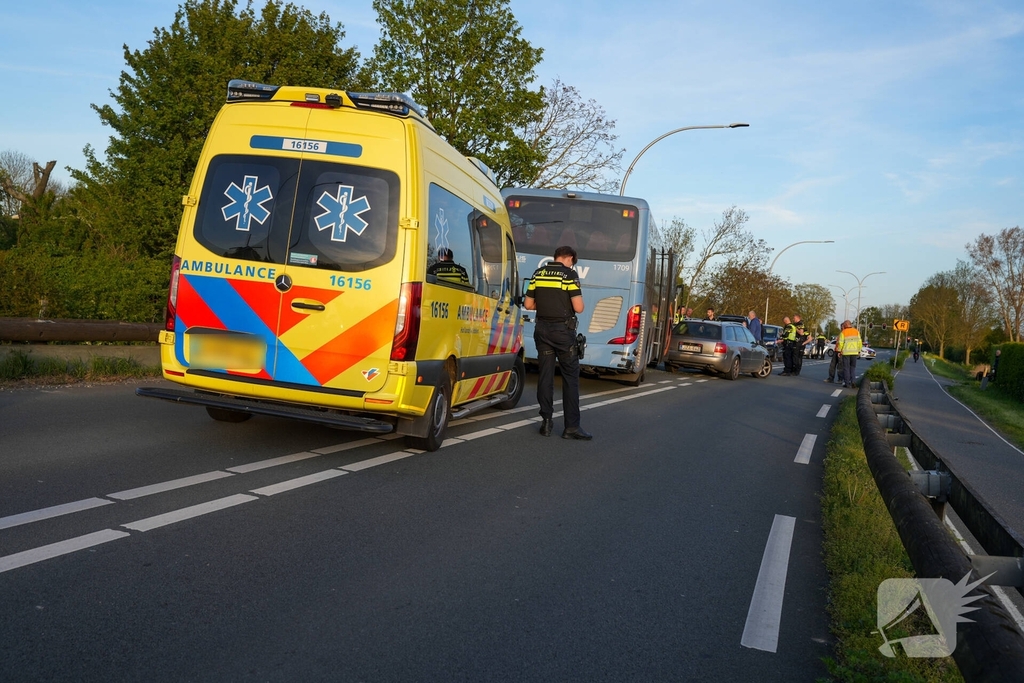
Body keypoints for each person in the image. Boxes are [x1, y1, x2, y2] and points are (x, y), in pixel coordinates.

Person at [523, 245, 592, 440]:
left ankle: (546, 423)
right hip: (563, 332)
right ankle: (571, 427)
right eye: (573, 262)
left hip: (542, 330)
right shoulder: (569, 275)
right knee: (570, 377)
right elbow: (579, 308)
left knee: (545, 375)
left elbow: (528, 304)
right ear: (569, 258)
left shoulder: (539, 273)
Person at [837, 320, 863, 388]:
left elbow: (841, 343)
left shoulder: (843, 332)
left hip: (846, 353)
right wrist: (859, 350)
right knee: (853, 368)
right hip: (854, 352)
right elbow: (860, 342)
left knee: (846, 368)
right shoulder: (856, 331)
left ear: (845, 325)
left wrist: (839, 351)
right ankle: (853, 382)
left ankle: (847, 383)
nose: (843, 326)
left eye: (844, 325)